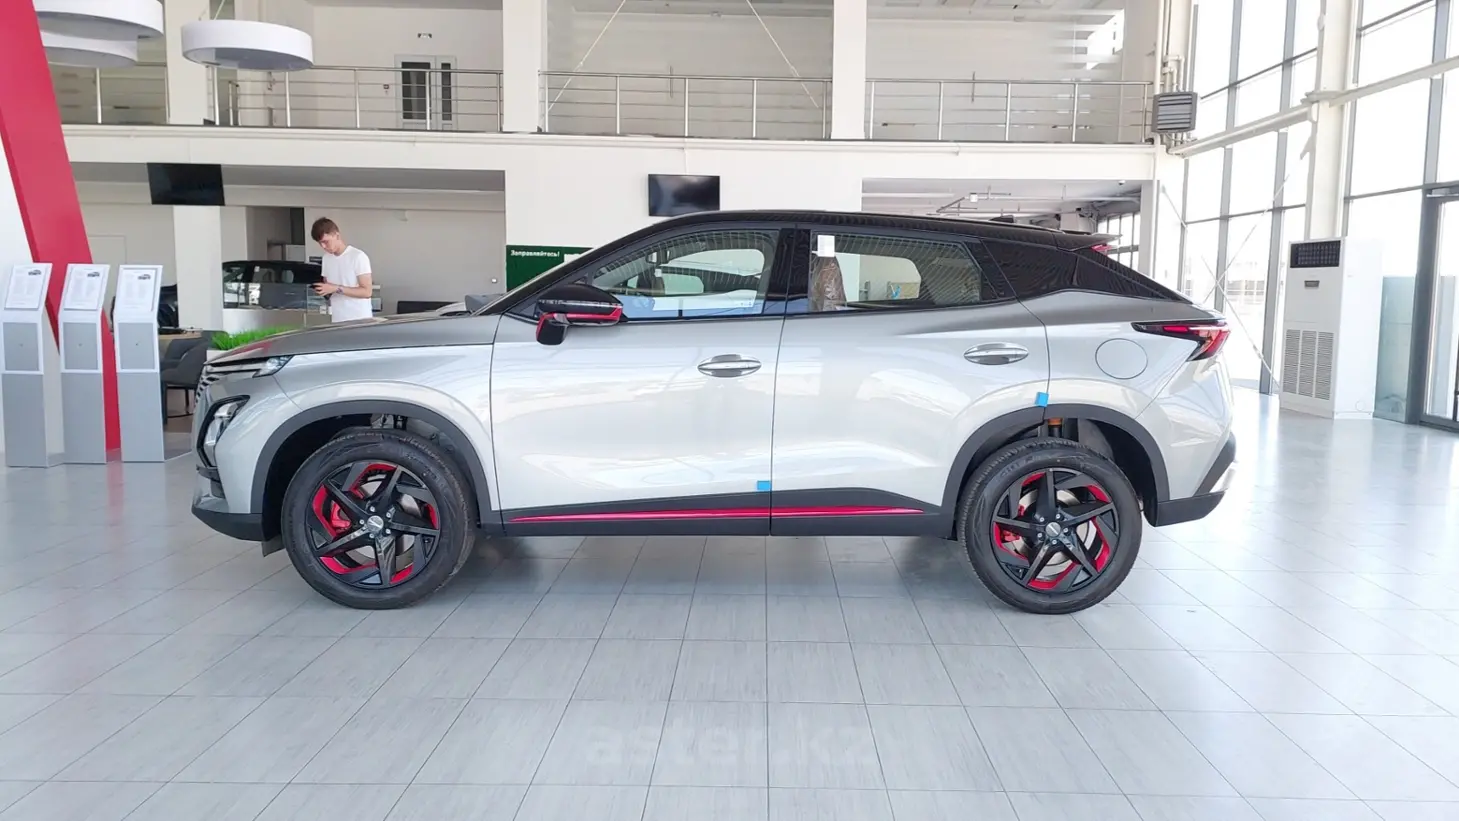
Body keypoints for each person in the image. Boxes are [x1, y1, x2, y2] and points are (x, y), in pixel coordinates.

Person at [310, 217, 375, 323]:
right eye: (320, 243)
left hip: (359, 320)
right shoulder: (326, 259)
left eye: (326, 242)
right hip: (337, 319)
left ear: (337, 235)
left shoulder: (358, 257)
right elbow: (329, 287)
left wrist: (335, 288)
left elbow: (367, 292)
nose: (323, 246)